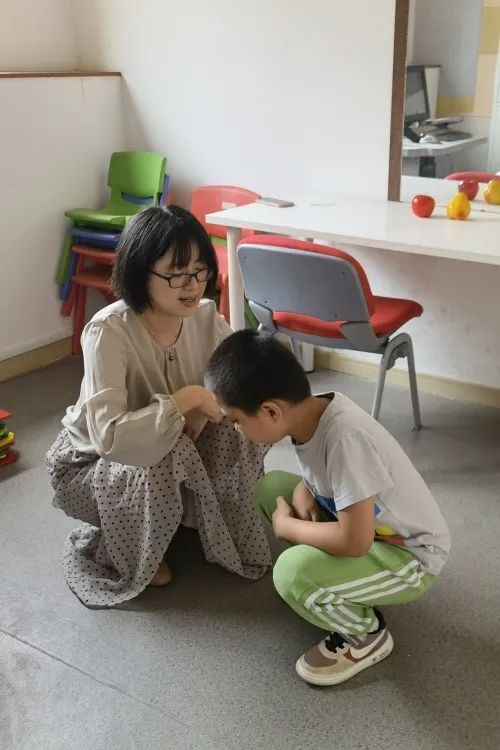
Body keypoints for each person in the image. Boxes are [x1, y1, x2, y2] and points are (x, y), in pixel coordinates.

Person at [46, 207, 271, 608]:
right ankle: (134, 546)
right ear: (139, 271)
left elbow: (239, 385)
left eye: (200, 271)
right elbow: (113, 439)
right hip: (93, 465)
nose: (192, 285)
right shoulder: (108, 331)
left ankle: (196, 516)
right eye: (175, 274)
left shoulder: (205, 317)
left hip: (170, 448)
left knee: (236, 423)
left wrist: (211, 402)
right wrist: (190, 399)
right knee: (165, 444)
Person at [205, 330, 451, 686]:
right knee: (272, 488)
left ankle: (366, 634)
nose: (237, 430)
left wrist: (289, 528)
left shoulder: (345, 438)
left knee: (290, 573)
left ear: (271, 410)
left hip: (411, 558)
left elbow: (355, 541)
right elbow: (326, 474)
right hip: (365, 528)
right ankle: (331, 582)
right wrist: (306, 488)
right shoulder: (313, 410)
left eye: (236, 421)